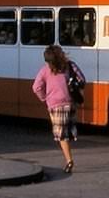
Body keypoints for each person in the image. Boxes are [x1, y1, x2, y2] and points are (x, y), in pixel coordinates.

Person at [32, 45, 86, 173]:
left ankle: (69, 160)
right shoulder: (70, 65)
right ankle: (69, 155)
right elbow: (82, 80)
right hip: (71, 103)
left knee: (62, 136)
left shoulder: (45, 70)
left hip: (55, 105)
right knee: (67, 132)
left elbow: (36, 87)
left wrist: (45, 98)